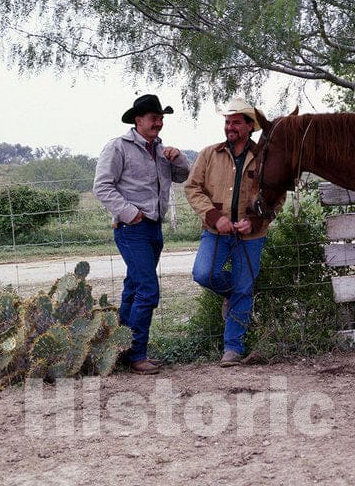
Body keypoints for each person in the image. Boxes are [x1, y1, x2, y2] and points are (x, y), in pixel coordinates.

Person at [93, 93, 190, 374]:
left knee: (135, 288)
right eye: (153, 118)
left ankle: (120, 349)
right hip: (132, 228)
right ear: (139, 120)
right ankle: (137, 355)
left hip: (154, 228)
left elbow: (183, 177)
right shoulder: (118, 147)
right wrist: (129, 213)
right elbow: (102, 187)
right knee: (148, 290)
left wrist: (178, 158)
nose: (158, 123)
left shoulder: (161, 150)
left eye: (161, 118)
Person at [184, 96, 273, 367]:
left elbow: (274, 196)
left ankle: (232, 350)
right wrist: (213, 216)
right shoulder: (209, 154)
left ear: (249, 126)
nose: (230, 127)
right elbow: (192, 188)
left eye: (236, 122)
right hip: (216, 233)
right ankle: (232, 295)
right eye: (227, 122)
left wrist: (255, 222)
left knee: (245, 288)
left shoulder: (263, 157)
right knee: (204, 274)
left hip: (251, 236)